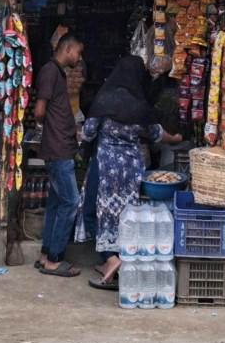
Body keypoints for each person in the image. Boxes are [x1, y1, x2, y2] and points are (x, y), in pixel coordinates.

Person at [82, 55, 182, 290]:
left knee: (94, 211)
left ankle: (110, 258)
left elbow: (88, 132)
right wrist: (176, 138)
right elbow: (156, 134)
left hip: (105, 167)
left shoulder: (104, 100)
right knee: (126, 215)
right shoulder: (140, 106)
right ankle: (118, 259)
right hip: (131, 169)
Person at [35, 32, 84, 278]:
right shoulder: (50, 71)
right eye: (78, 52)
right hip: (58, 149)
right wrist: (54, 128)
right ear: (67, 49)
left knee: (56, 203)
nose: (79, 57)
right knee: (71, 202)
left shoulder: (57, 73)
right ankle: (54, 259)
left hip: (60, 146)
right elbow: (39, 111)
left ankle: (46, 255)